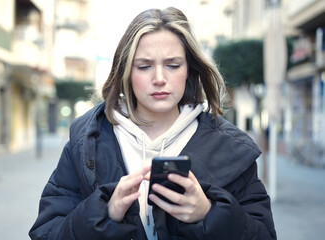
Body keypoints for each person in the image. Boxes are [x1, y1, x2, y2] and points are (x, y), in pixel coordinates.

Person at [29, 7, 276, 240]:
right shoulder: (86, 141)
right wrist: (105, 214)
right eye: (145, 66)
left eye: (172, 65)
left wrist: (209, 214)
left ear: (189, 70)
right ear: (126, 71)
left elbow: (263, 234)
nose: (159, 79)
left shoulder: (230, 147)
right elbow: (47, 232)